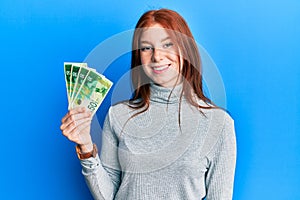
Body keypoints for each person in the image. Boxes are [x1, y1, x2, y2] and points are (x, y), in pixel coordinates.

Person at [60, 8, 236, 200]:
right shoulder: (118, 115)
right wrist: (86, 148)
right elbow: (107, 196)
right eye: (146, 48)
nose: (157, 57)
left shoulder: (219, 123)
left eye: (168, 44)